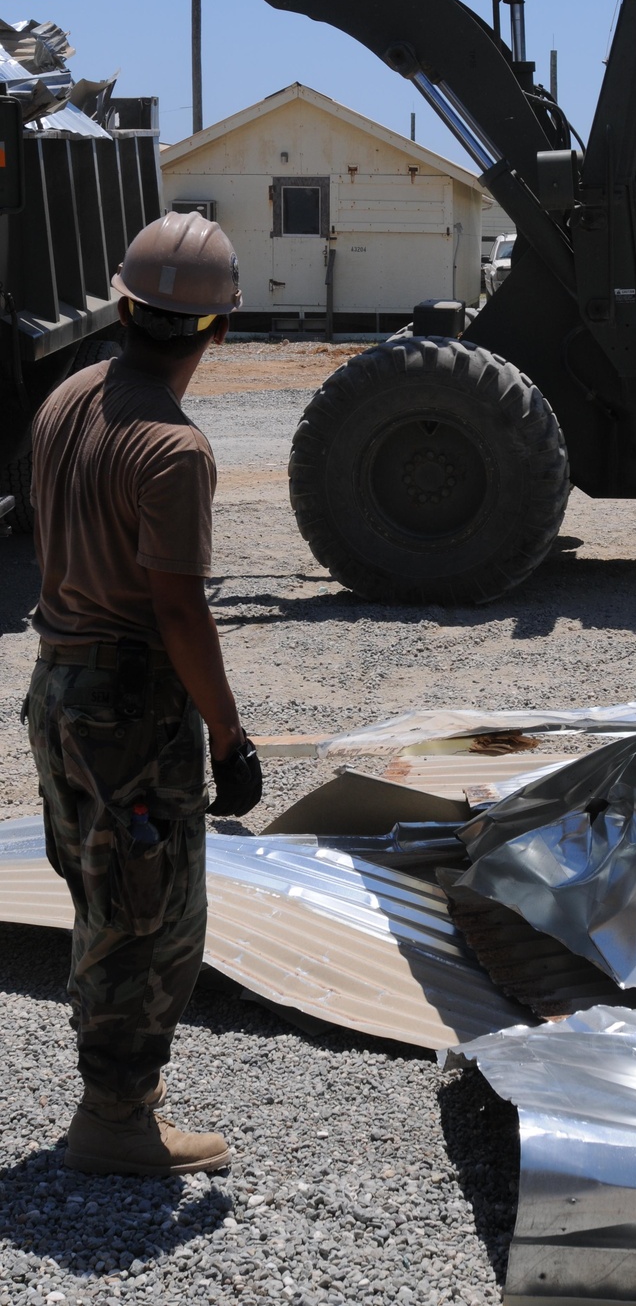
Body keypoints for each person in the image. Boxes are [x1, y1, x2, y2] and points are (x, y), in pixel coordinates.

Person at [26, 211, 263, 1177]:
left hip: (58, 688)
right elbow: (178, 611)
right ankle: (116, 1122)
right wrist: (229, 735)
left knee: (100, 890)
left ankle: (124, 1096)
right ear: (218, 329)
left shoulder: (64, 400)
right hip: (130, 706)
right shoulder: (174, 450)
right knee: (148, 913)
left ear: (122, 307)